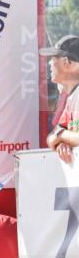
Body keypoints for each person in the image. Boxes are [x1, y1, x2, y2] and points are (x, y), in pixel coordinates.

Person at [42, 35, 79, 164]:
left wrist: (62, 136)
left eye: (54, 58)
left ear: (67, 62)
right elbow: (52, 137)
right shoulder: (72, 97)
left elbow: (57, 134)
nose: (49, 63)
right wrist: (61, 143)